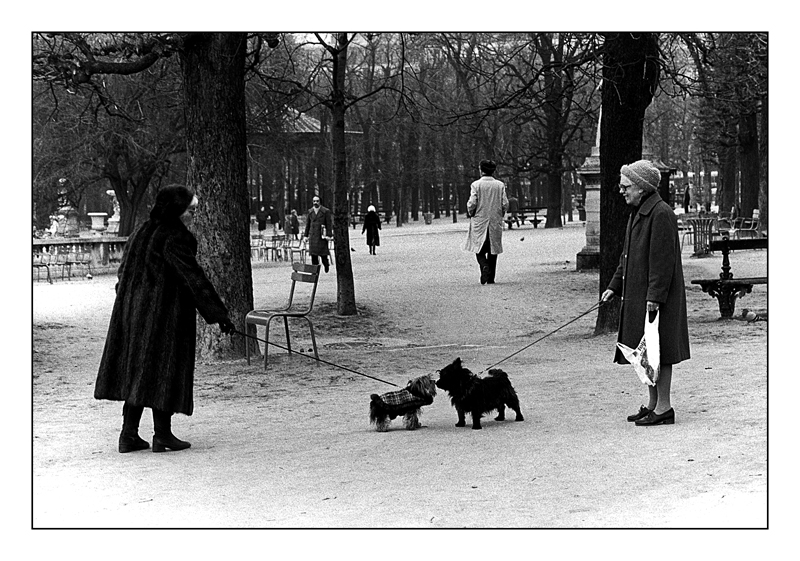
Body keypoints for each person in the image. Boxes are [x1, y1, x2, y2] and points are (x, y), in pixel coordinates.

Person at [94, 186, 235, 453]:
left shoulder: (140, 231)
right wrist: (219, 314)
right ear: (177, 211)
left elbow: (122, 273)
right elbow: (192, 277)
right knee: (163, 370)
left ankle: (128, 435)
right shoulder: (175, 237)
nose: (194, 215)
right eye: (191, 211)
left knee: (138, 371)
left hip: (131, 315)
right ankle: (162, 435)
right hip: (163, 316)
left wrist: (129, 301)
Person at [601, 160, 690, 426]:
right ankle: (653, 404)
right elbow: (626, 257)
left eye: (626, 186)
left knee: (660, 351)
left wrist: (655, 297)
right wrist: (614, 286)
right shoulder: (639, 212)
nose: (621, 190)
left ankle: (664, 407)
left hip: (657, 299)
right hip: (642, 295)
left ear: (641, 187)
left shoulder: (661, 213)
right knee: (646, 351)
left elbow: (663, 262)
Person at [463, 159, 508, 284]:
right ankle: (491, 277)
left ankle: (484, 266)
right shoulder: (500, 185)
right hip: (494, 220)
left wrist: (471, 212)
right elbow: (505, 203)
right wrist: (500, 213)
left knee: (479, 248)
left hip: (480, 221)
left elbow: (472, 203)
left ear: (481, 170)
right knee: (493, 249)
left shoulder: (476, 185)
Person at [303, 195, 333, 273]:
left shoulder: (325, 211)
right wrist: (305, 236)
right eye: (314, 201)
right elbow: (308, 225)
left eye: (317, 201)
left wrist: (329, 235)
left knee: (323, 254)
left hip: (321, 236)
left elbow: (329, 224)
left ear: (320, 202)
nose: (315, 203)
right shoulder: (310, 212)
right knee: (314, 255)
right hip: (313, 236)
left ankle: (326, 264)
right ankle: (315, 272)